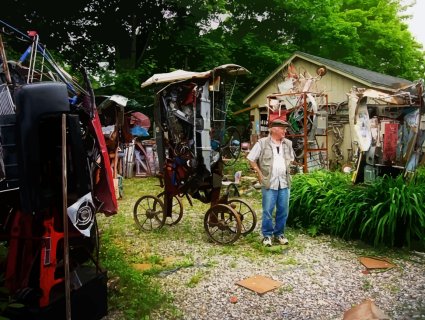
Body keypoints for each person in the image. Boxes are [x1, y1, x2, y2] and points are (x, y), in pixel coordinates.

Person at [247, 119, 295, 247]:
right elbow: (251, 158)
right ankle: (267, 236)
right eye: (282, 128)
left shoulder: (288, 144)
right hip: (269, 182)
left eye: (285, 129)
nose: (285, 131)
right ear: (273, 129)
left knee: (283, 210)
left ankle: (279, 234)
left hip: (284, 182)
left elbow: (291, 159)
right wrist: (259, 173)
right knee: (268, 210)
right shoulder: (262, 143)